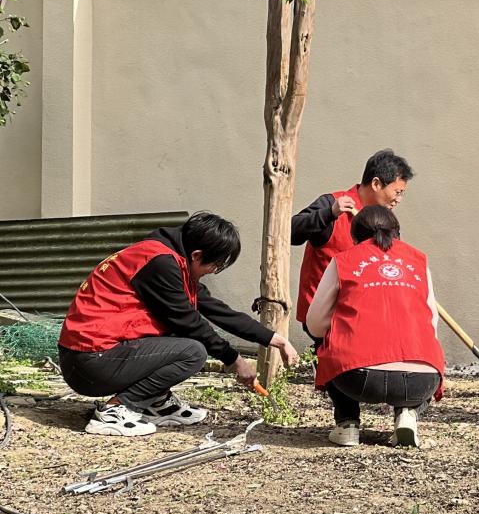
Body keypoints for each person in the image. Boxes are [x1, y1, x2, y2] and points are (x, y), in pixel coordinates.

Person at [58, 212, 299, 437]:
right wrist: (235, 360)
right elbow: (189, 322)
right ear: (197, 255)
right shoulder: (160, 264)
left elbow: (218, 311)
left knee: (180, 340)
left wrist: (275, 340)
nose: (213, 271)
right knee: (193, 351)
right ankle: (116, 410)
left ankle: (156, 402)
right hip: (90, 363)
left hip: (96, 357)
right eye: (214, 265)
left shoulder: (170, 259)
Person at [291, 149, 414, 427]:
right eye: (397, 192)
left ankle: (405, 413)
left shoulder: (386, 221)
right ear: (376, 184)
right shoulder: (332, 204)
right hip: (327, 313)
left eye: (402, 193)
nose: (398, 199)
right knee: (335, 352)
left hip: (370, 312)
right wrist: (328, 213)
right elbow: (290, 230)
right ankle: (347, 421)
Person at [304, 206, 444, 448]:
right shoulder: (419, 261)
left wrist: (340, 327)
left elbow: (314, 324)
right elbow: (431, 322)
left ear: (354, 236)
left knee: (323, 344)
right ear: (397, 233)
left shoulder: (344, 261)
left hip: (356, 378)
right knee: (426, 353)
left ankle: (347, 424)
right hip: (421, 380)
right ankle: (408, 414)